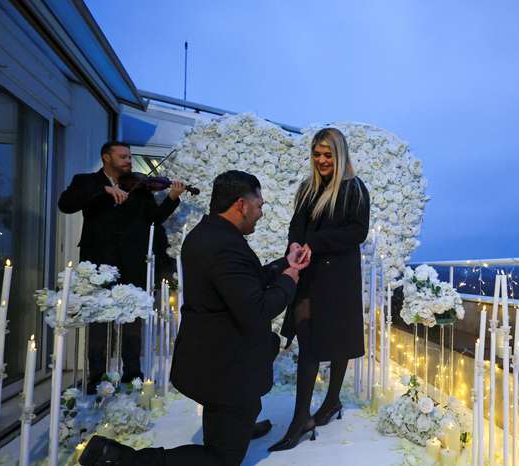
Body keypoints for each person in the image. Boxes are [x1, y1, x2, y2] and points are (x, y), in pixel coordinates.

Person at [80, 170, 311, 465]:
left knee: (240, 411)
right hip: (224, 368)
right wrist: (291, 277)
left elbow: (242, 281)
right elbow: (258, 308)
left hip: (209, 356)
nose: (261, 213)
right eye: (260, 205)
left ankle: (239, 427)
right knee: (222, 458)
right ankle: (118, 458)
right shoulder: (224, 246)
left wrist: (283, 264)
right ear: (241, 204)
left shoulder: (209, 233)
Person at [270, 128, 370, 452]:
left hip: (339, 277)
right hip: (309, 275)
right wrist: (295, 246)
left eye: (328, 154)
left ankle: (330, 403)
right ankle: (302, 417)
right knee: (307, 338)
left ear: (339, 155)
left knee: (338, 340)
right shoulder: (307, 189)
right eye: (317, 154)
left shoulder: (355, 189)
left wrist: (315, 242)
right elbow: (296, 226)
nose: (322, 160)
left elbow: (357, 232)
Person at [58, 141, 186, 389]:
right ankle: (97, 375)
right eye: (123, 156)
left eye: (129, 156)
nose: (129, 160)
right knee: (97, 322)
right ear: (106, 157)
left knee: (131, 320)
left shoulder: (139, 187)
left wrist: (172, 197)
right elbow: (66, 205)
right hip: (97, 264)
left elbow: (154, 219)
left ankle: (132, 373)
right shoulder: (85, 181)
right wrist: (103, 191)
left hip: (132, 263)